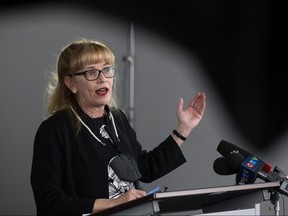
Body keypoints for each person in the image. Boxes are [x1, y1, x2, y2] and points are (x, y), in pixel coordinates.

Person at [30, 38, 206, 216]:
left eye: (107, 70)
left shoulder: (116, 119)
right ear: (71, 84)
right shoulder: (54, 130)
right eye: (91, 72)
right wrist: (114, 204)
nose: (102, 79)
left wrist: (184, 128)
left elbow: (144, 169)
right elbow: (49, 202)